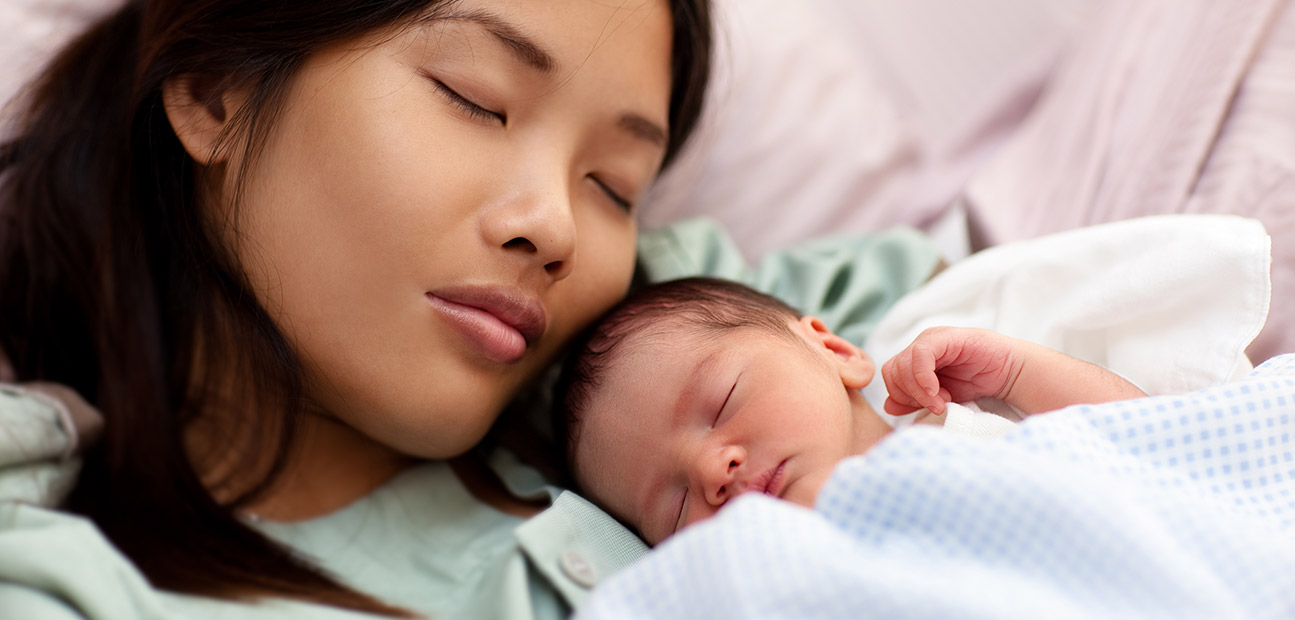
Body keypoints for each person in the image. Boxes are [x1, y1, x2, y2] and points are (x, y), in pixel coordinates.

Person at [0, 1, 952, 617]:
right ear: (219, 91)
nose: (556, 228)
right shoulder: (63, 577)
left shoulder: (663, 347)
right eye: (474, 99)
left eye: (613, 186)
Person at [554, 277, 1147, 546]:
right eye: (675, 503)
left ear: (835, 350)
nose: (713, 470)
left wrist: (1018, 373)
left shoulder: (960, 425)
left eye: (723, 401)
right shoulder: (774, 584)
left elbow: (1149, 443)